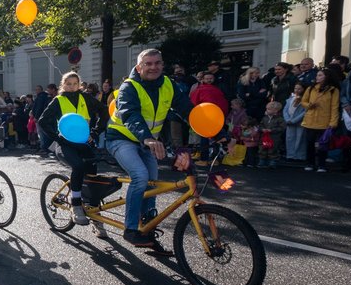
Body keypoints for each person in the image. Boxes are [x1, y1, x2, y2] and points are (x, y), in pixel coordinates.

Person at [106, 49, 193, 248]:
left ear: (162, 65)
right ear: (139, 67)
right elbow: (130, 115)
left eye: (157, 63)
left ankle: (147, 222)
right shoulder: (130, 86)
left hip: (146, 140)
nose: (153, 67)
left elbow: (188, 110)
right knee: (140, 176)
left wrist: (220, 135)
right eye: (148, 63)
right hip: (121, 138)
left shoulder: (169, 85)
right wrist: (148, 138)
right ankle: (131, 229)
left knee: (152, 182)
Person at [38, 71, 104, 237]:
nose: (72, 87)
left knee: (92, 176)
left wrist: (95, 133)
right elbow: (42, 121)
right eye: (68, 84)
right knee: (79, 166)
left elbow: (104, 112)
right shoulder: (58, 100)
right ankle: (75, 205)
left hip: (84, 143)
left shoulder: (86, 98)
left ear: (80, 85)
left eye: (75, 84)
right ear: (63, 85)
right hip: (65, 145)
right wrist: (58, 138)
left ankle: (95, 215)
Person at [302, 69, 340, 172]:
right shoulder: (310, 88)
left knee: (323, 144)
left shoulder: (333, 90)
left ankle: (321, 164)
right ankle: (310, 163)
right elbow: (303, 101)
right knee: (310, 144)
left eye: (320, 75)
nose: (317, 77)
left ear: (326, 77)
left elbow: (334, 107)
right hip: (310, 121)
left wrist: (333, 122)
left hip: (324, 121)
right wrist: (310, 105)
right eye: (317, 75)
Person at [190, 72, 229, 166]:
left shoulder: (215, 90)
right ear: (203, 79)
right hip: (208, 117)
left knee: (208, 139)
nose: (209, 80)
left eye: (211, 78)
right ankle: (211, 159)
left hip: (212, 117)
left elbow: (193, 104)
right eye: (207, 78)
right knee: (212, 139)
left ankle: (207, 159)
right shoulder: (201, 90)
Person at [283, 83, 307, 161]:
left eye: (299, 89)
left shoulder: (305, 99)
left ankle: (300, 156)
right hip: (289, 121)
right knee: (290, 138)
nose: (296, 90)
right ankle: (290, 155)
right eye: (295, 88)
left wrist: (294, 120)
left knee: (300, 138)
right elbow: (285, 110)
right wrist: (287, 119)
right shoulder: (291, 98)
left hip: (299, 122)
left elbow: (304, 112)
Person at [257, 101, 285, 168]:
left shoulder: (280, 119)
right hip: (264, 137)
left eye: (269, 109)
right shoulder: (265, 118)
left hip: (274, 138)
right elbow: (260, 125)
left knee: (273, 149)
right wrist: (262, 129)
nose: (267, 110)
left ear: (275, 110)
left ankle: (273, 162)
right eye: (267, 109)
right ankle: (262, 160)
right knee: (262, 148)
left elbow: (282, 128)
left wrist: (272, 130)